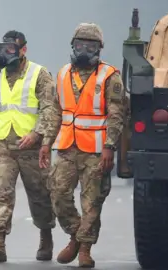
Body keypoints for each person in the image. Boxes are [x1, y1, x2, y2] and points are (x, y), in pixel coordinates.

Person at [0, 30, 61, 263]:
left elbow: (49, 109)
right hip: (2, 144)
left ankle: (46, 236)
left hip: (32, 146)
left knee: (40, 194)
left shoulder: (40, 75)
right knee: (0, 191)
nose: (7, 53)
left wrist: (39, 134)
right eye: (4, 48)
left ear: (24, 50)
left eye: (12, 49)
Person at [48, 23, 126, 268]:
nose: (84, 50)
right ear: (73, 46)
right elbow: (54, 111)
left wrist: (110, 147)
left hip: (96, 149)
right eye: (80, 45)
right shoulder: (61, 74)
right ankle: (74, 234)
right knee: (58, 193)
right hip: (67, 147)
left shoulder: (109, 76)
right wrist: (45, 143)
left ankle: (85, 248)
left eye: (90, 46)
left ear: (99, 48)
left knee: (92, 201)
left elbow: (116, 114)